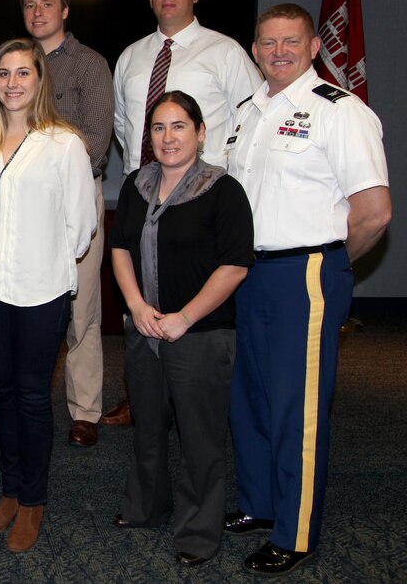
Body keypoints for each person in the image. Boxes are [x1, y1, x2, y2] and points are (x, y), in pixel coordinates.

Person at [224, 3, 390, 577]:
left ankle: (295, 533)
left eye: (290, 41)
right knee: (251, 398)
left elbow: (373, 212)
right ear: (254, 49)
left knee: (299, 408)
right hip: (249, 274)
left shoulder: (341, 113)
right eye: (267, 42)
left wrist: (330, 265)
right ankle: (260, 504)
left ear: (314, 46)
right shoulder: (246, 114)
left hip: (306, 274)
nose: (278, 52)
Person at [104, 0, 261, 427]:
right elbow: (123, 126)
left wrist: (218, 187)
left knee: (196, 319)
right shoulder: (131, 56)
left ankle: (195, 401)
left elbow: (250, 119)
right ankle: (147, 398)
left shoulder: (225, 51)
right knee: (143, 310)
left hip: (201, 203)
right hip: (145, 198)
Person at [109, 92, 253, 567]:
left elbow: (234, 266)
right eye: (158, 128)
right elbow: (121, 248)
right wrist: (136, 306)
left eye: (178, 127)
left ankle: (198, 530)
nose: (168, 137)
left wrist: (184, 317)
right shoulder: (136, 183)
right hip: (144, 329)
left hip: (201, 333)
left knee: (200, 437)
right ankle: (147, 507)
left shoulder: (222, 190)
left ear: (201, 132)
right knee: (148, 425)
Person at [0, 38, 96, 552]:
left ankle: (34, 502)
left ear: (40, 81)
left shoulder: (65, 144)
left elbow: (81, 226)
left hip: (40, 290)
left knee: (32, 396)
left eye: (24, 73)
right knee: (1, 396)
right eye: (4, 73)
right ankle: (9, 493)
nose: (13, 83)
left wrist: (42, 259)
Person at [21, 0, 115, 447]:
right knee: (22, 300)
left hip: (75, 197)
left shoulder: (89, 65)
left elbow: (97, 141)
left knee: (82, 307)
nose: (38, 13)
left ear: (65, 11)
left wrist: (57, 176)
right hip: (24, 204)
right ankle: (22, 393)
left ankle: (84, 409)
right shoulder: (16, 63)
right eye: (31, 5)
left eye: (48, 4)